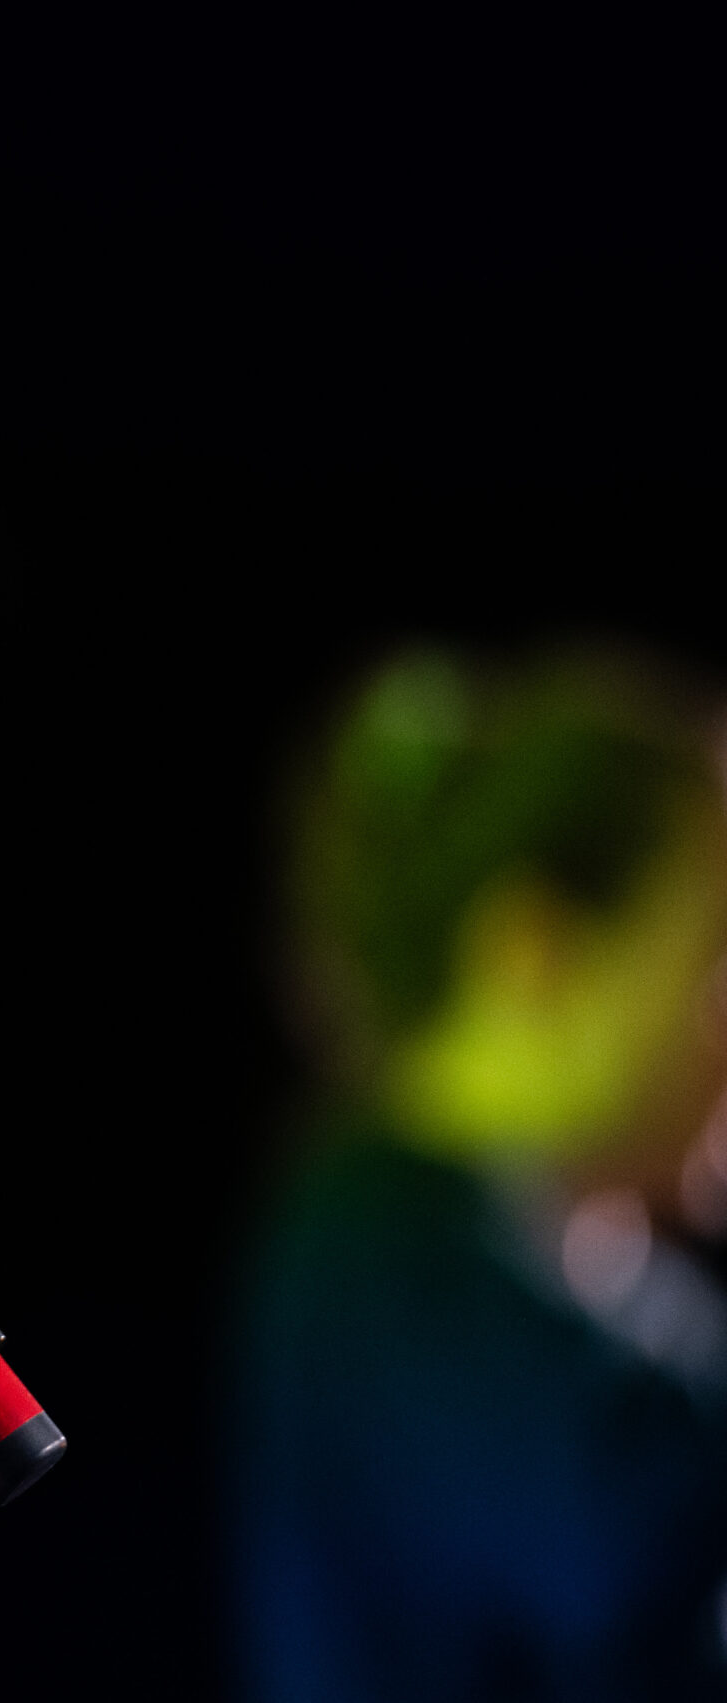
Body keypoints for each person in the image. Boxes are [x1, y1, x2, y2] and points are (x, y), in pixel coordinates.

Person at [237, 647, 727, 1699]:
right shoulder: (376, 1243)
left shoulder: (621, 1269)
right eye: (716, 969)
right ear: (540, 955)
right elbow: (637, 1553)